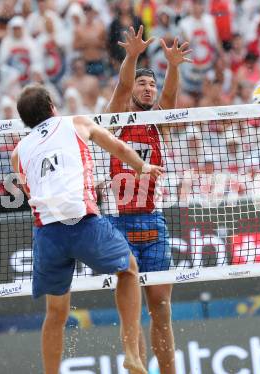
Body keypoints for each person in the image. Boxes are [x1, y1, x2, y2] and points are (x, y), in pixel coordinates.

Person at [11, 84, 163, 374]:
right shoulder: (76, 122)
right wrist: (143, 167)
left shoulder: (18, 152)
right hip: (83, 222)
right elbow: (118, 148)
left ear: (26, 120)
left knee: (55, 312)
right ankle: (131, 353)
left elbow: (30, 187)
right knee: (129, 270)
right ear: (53, 106)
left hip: (48, 233)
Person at [105, 25, 191, 373]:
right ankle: (136, 365)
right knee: (132, 311)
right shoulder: (115, 120)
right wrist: (132, 55)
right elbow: (123, 86)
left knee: (162, 308)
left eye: (151, 84)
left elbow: (169, 99)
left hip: (153, 221)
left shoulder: (158, 122)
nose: (148, 87)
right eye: (143, 83)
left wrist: (172, 66)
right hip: (119, 224)